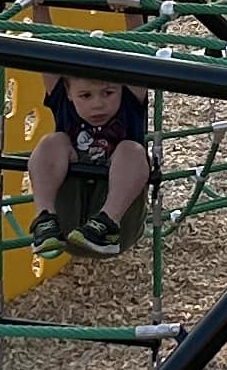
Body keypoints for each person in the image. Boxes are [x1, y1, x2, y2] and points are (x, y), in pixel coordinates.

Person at [25, 68, 150, 259]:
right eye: (85, 95)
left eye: (108, 93)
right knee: (52, 142)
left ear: (122, 88)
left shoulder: (129, 105)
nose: (98, 104)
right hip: (66, 218)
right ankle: (45, 218)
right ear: (68, 92)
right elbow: (47, 60)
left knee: (131, 150)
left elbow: (138, 62)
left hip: (119, 221)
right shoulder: (63, 103)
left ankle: (107, 222)